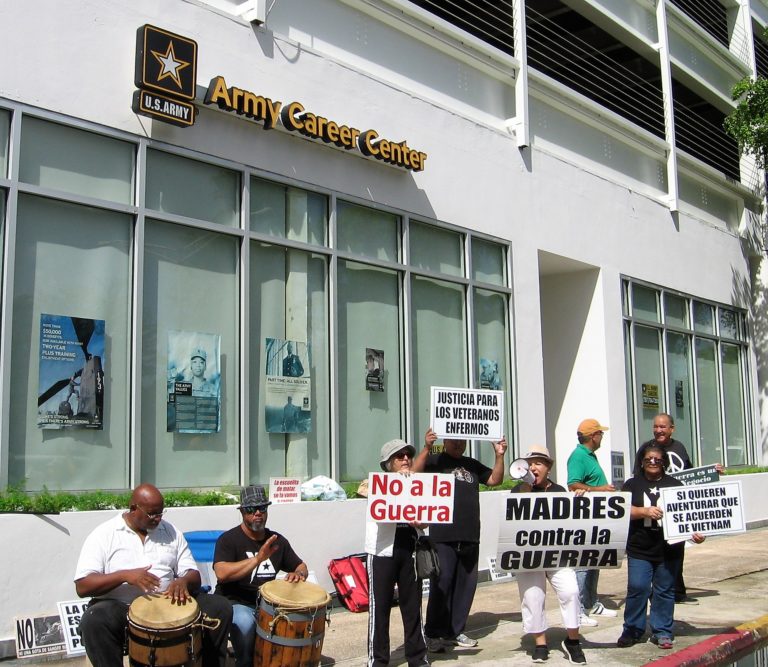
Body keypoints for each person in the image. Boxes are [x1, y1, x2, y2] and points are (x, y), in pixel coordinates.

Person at [75, 484, 232, 667]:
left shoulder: (171, 532)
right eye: (152, 514)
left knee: (220, 607)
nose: (157, 519)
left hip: (168, 602)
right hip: (121, 609)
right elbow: (83, 585)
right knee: (94, 620)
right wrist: (124, 576)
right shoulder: (104, 534)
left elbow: (193, 575)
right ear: (134, 508)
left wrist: (183, 581)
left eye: (160, 513)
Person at [412, 428, 507, 652]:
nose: (458, 444)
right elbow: (413, 475)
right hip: (443, 536)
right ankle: (434, 633)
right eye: (454, 440)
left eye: (462, 441)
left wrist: (500, 455)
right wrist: (426, 447)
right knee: (441, 585)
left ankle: (455, 631)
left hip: (470, 536)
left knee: (466, 587)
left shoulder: (472, 464)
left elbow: (494, 479)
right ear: (445, 440)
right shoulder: (435, 461)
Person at [617, 445, 706, 650]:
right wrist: (644, 511)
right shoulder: (632, 484)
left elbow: (690, 515)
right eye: (649, 459)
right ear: (642, 462)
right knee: (637, 588)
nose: (653, 462)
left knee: (665, 590)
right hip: (640, 547)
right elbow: (621, 509)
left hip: (669, 550)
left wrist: (697, 536)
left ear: (664, 462)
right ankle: (632, 629)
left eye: (657, 459)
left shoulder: (676, 484)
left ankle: (663, 631)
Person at [632, 413, 724, 604]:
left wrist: (712, 472)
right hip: (651, 512)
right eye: (656, 426)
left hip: (677, 508)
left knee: (676, 552)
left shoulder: (679, 447)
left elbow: (691, 474)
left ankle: (678, 592)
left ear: (672, 429)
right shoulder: (647, 449)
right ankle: (659, 592)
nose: (659, 430)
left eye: (663, 427)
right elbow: (637, 478)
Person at [213, 485, 308, 667]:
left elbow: (301, 566)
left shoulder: (277, 540)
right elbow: (222, 573)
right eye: (251, 509)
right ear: (242, 512)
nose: (258, 513)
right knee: (245, 622)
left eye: (262, 508)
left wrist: (298, 574)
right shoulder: (228, 540)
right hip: (236, 602)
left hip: (268, 605)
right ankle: (245, 662)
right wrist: (258, 558)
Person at [512, 444, 587, 664]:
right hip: (528, 556)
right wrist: (526, 487)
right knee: (533, 598)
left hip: (557, 554)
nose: (534, 467)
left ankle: (572, 641)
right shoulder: (518, 490)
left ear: (548, 467)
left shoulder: (559, 491)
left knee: (571, 592)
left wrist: (580, 499)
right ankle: (540, 644)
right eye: (530, 463)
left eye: (539, 463)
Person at [366, 439, 429, 667]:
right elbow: (373, 501)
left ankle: (417, 657)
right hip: (382, 551)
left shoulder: (419, 485)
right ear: (388, 463)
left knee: (413, 607)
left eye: (407, 455)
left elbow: (427, 518)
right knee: (380, 609)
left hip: (409, 549)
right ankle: (378, 661)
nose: (405, 459)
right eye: (399, 456)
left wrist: (421, 523)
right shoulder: (377, 485)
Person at [566, 418, 617, 627]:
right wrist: (601, 490)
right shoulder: (578, 456)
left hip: (597, 518)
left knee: (595, 562)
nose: (602, 436)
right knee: (583, 565)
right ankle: (577, 610)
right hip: (585, 520)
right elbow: (573, 485)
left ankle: (591, 602)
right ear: (593, 436)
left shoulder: (589, 455)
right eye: (600, 433)